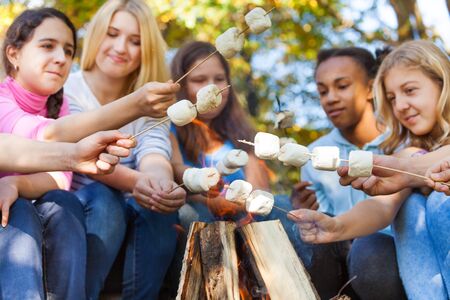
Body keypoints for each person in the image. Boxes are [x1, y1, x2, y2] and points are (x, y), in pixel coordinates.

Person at [291, 40, 450, 300]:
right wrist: (337, 226)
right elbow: (381, 206)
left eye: (410, 90)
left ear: (442, 84)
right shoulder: (410, 151)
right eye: (391, 98)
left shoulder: (408, 159)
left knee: (437, 203)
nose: (400, 106)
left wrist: (404, 168)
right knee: (409, 211)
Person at [64, 1, 185, 299]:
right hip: (85, 201)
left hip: (134, 206)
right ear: (96, 35)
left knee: (160, 207)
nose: (121, 48)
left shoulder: (151, 101)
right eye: (113, 34)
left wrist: (160, 183)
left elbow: (155, 153)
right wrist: (138, 182)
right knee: (106, 201)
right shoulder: (69, 89)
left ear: (147, 51)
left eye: (135, 41)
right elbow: (84, 153)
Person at [289, 46, 405, 299]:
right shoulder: (313, 154)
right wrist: (305, 214)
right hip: (343, 257)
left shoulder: (402, 142)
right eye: (322, 91)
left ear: (370, 88)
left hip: (392, 256)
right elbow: (325, 226)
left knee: (371, 250)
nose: (330, 98)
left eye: (342, 86)